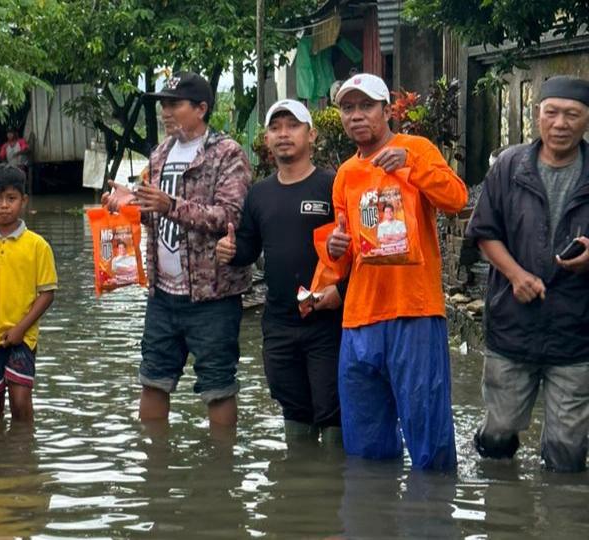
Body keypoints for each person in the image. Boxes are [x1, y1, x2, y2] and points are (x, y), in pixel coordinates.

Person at [321, 73, 468, 470]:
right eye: (348, 108)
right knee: (365, 445)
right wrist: (336, 251)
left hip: (415, 312)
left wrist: (412, 165)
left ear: (387, 111)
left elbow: (457, 198)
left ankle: (432, 522)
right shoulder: (345, 175)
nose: (356, 116)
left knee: (429, 439)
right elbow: (342, 250)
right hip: (359, 319)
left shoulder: (415, 148)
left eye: (366, 106)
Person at [105, 71, 251, 428]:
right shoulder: (159, 154)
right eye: (162, 105)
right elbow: (153, 215)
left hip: (212, 296)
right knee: (152, 381)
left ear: (201, 108)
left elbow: (229, 216)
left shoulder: (226, 153)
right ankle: (155, 471)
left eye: (174, 104)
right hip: (162, 294)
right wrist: (127, 205)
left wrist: (171, 205)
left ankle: (220, 473)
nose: (165, 112)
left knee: (218, 387)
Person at [464, 75, 589, 472]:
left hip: (576, 330)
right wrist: (515, 275)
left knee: (568, 451)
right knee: (498, 437)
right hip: (513, 325)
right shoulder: (509, 166)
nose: (560, 124)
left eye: (572, 115)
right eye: (551, 113)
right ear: (538, 116)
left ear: (586, 121)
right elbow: (484, 231)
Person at [216, 99, 344, 444]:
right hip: (280, 322)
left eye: (292, 126)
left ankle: (333, 485)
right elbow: (248, 249)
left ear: (311, 134)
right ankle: (295, 487)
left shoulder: (333, 186)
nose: (283, 134)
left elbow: (358, 251)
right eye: (275, 128)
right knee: (293, 410)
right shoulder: (259, 194)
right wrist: (229, 251)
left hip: (327, 321)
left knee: (333, 411)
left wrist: (341, 292)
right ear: (267, 139)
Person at [0, 164, 57, 422]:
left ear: (24, 201)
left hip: (23, 337)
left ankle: (23, 457)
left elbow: (47, 293)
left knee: (21, 402)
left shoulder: (37, 245)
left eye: (11, 198)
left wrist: (21, 328)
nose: (4, 206)